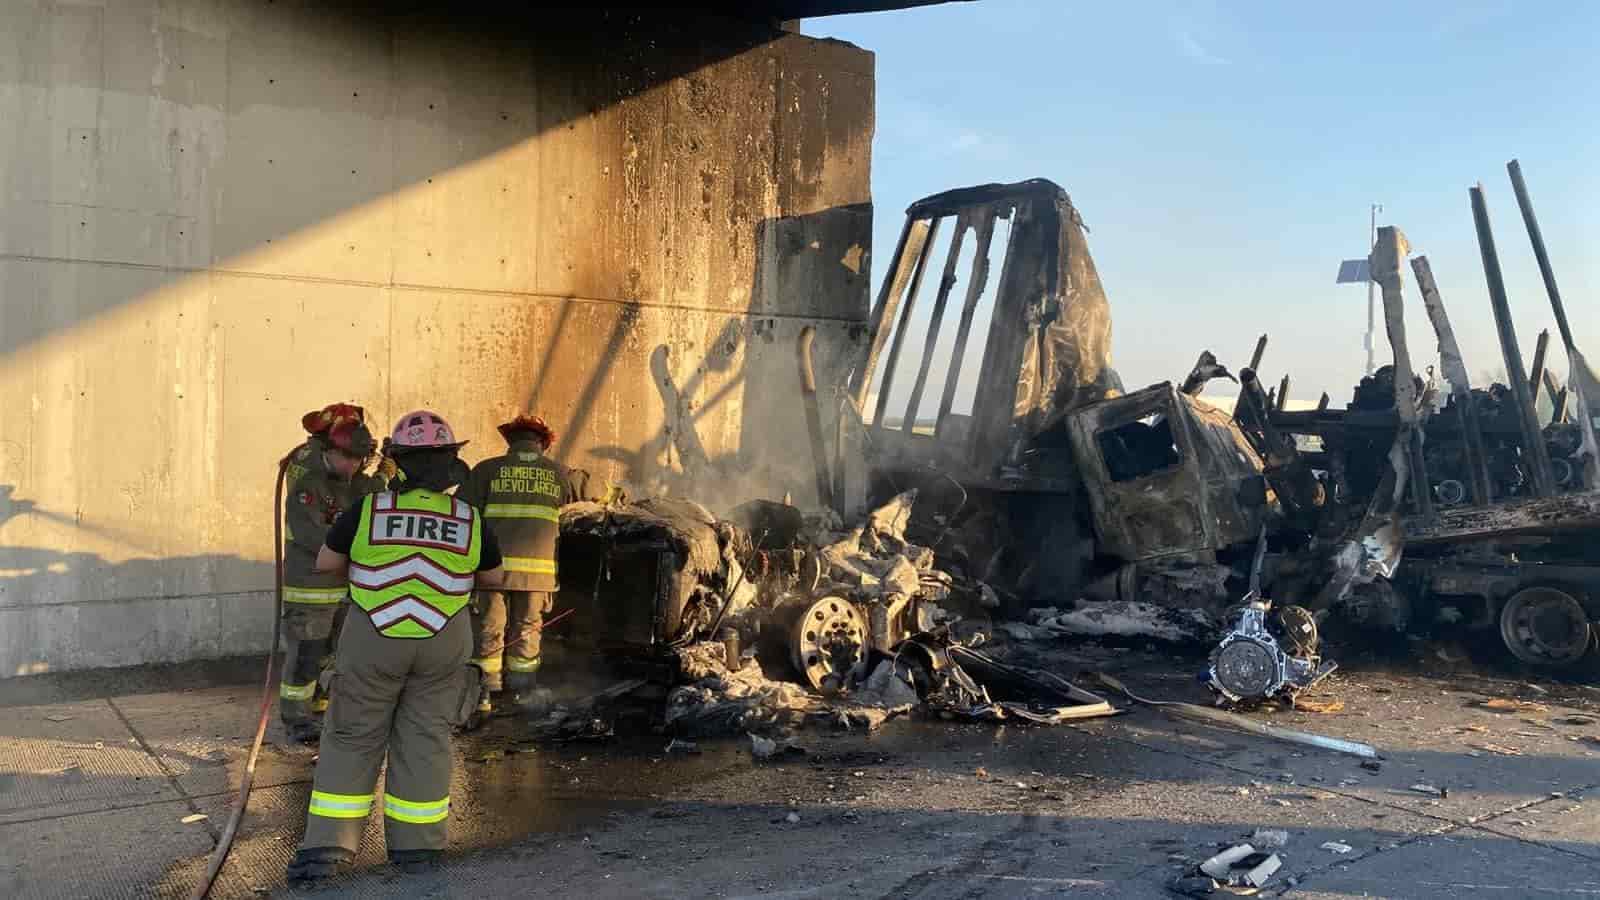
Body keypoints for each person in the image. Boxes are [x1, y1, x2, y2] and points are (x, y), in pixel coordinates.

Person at [286, 410, 504, 881]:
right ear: (450, 463)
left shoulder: (369, 510)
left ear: (399, 461)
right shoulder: (468, 518)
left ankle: (328, 849)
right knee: (426, 737)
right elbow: (493, 577)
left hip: (374, 634)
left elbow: (326, 562)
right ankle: (418, 849)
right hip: (443, 638)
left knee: (353, 734)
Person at [458, 414, 583, 716]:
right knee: (527, 629)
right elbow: (582, 512)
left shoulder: (486, 470)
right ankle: (522, 692)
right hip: (538, 575)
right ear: (543, 443)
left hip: (492, 571)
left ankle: (485, 693)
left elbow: (462, 514)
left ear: (510, 441)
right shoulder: (560, 474)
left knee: (489, 628)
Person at [279, 403, 384, 743]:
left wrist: (387, 474)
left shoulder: (357, 484)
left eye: (359, 459)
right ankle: (296, 719)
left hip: (343, 590)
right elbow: (313, 536)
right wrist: (357, 550)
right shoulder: (308, 485)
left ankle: (319, 707)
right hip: (309, 589)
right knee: (306, 656)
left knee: (331, 654)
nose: (352, 464)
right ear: (329, 450)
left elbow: (376, 506)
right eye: (347, 457)